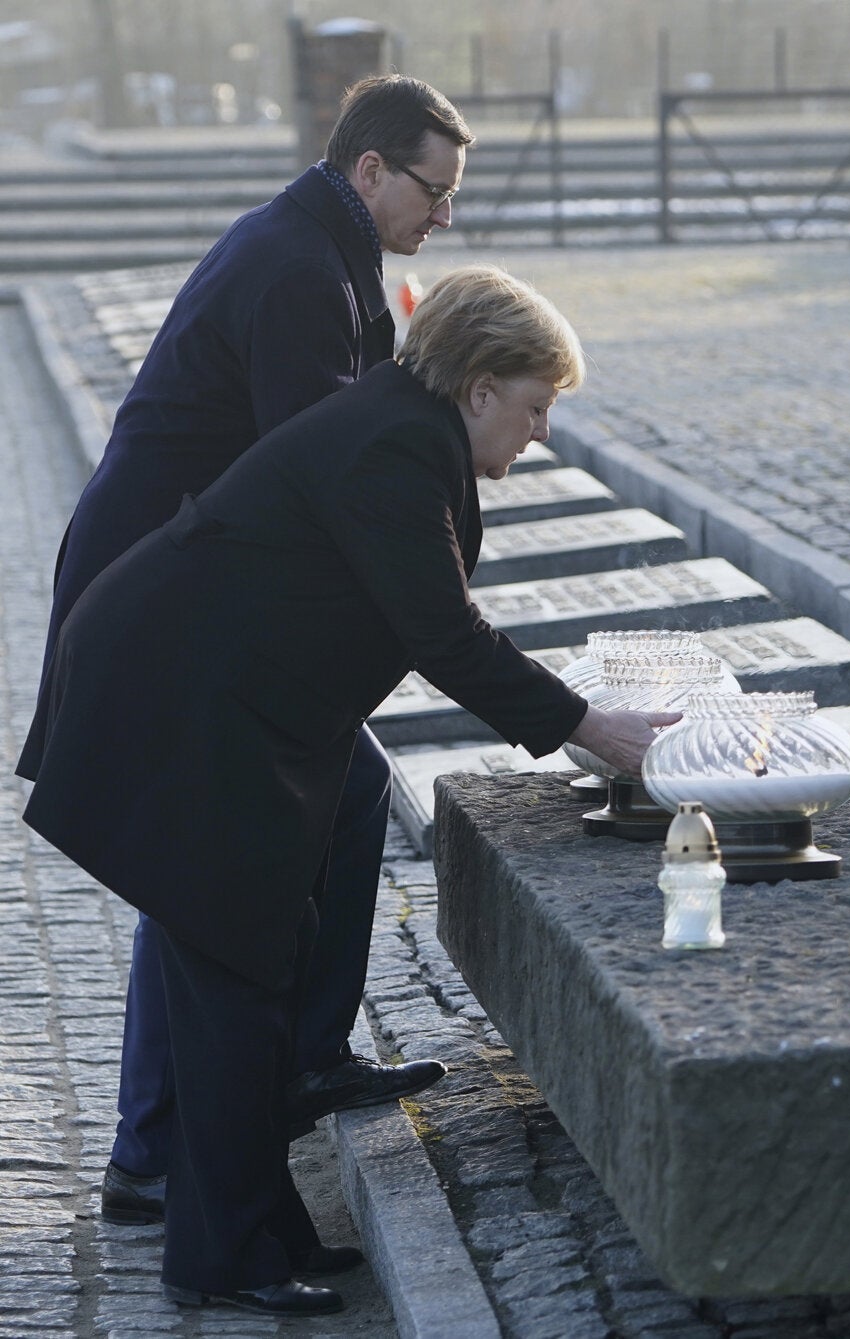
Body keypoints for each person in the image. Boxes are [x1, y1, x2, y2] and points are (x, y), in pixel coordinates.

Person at [18, 265, 681, 1315]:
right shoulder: (394, 445)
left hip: (220, 706)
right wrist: (594, 732)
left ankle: (256, 1226)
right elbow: (443, 632)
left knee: (255, 962)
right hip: (175, 708)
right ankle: (222, 1255)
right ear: (478, 389)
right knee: (234, 973)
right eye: (537, 405)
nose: (543, 431)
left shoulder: (408, 430)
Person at [35, 73, 474, 1233]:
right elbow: (325, 467)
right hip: (159, 602)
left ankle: (286, 1067)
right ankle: (157, 1147)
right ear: (371, 168)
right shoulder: (295, 266)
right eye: (434, 190)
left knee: (334, 797)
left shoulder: (322, 248)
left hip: (189, 588)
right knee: (196, 870)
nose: (444, 214)